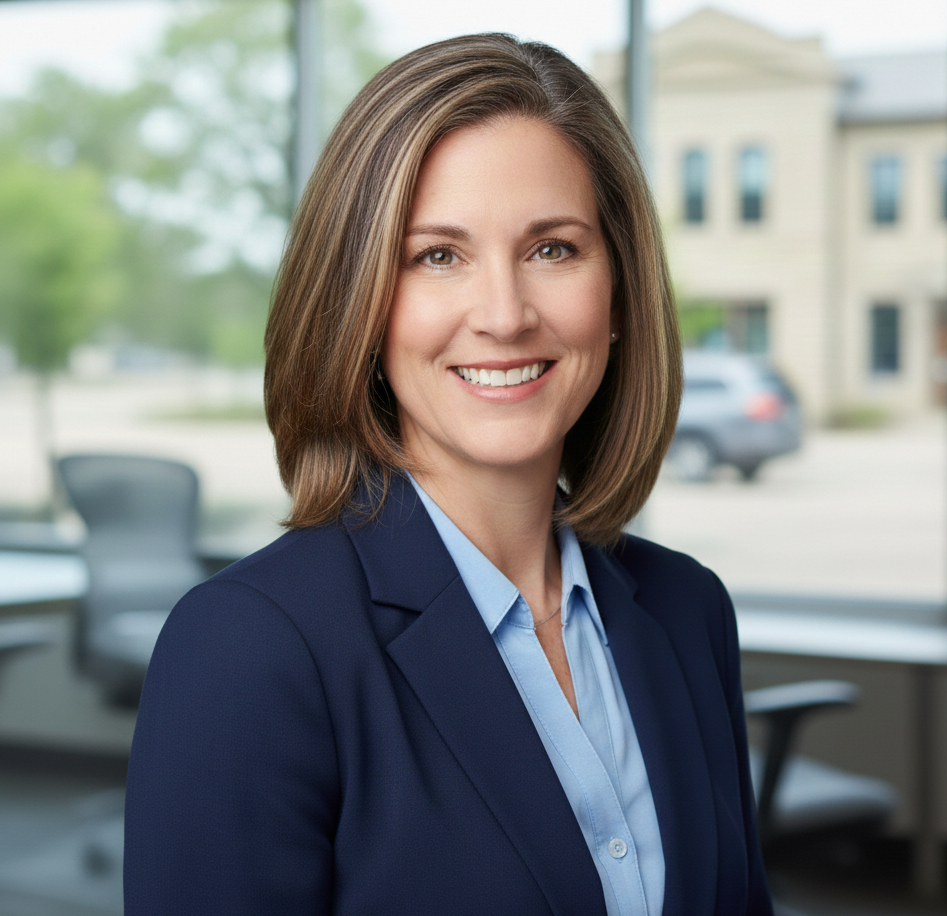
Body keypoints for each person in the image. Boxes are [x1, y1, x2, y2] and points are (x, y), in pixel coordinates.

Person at [124, 33, 771, 916]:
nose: (504, 315)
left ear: (617, 294)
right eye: (437, 255)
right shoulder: (251, 648)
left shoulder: (687, 610)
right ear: (359, 302)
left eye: (553, 248)